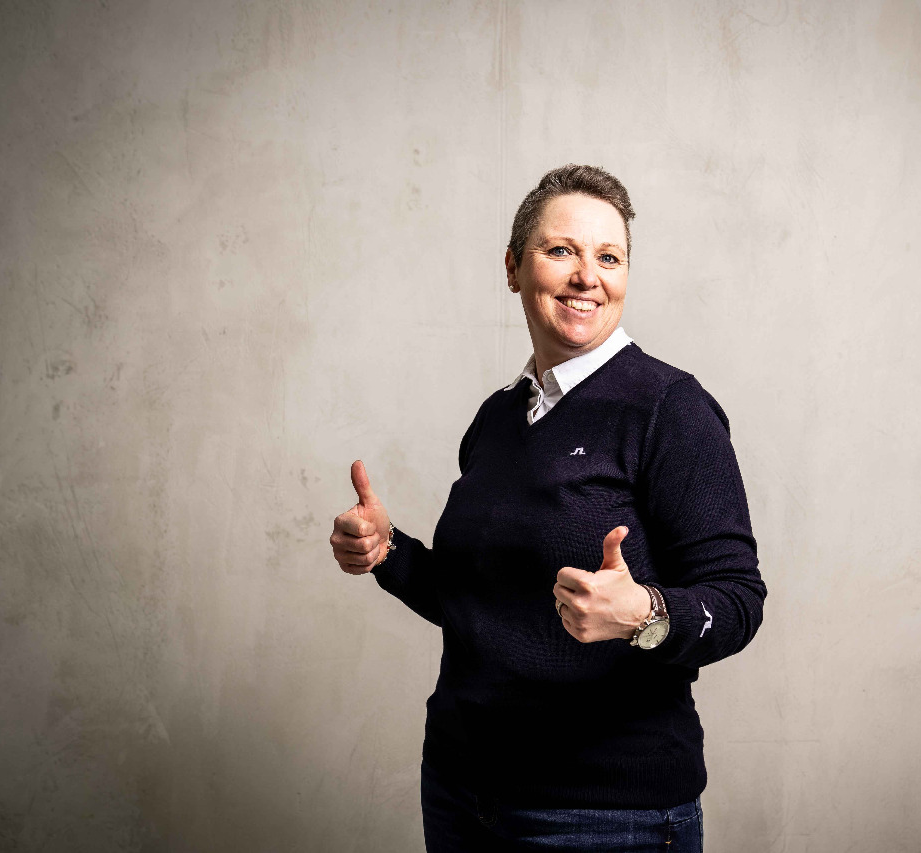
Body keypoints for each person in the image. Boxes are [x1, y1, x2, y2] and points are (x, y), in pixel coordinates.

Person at [329, 164, 768, 852]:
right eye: (562, 250)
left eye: (609, 257)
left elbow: (738, 601)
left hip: (602, 815)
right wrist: (388, 552)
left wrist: (645, 614)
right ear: (513, 267)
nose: (587, 276)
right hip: (461, 789)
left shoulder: (669, 409)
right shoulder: (498, 417)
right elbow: (482, 603)